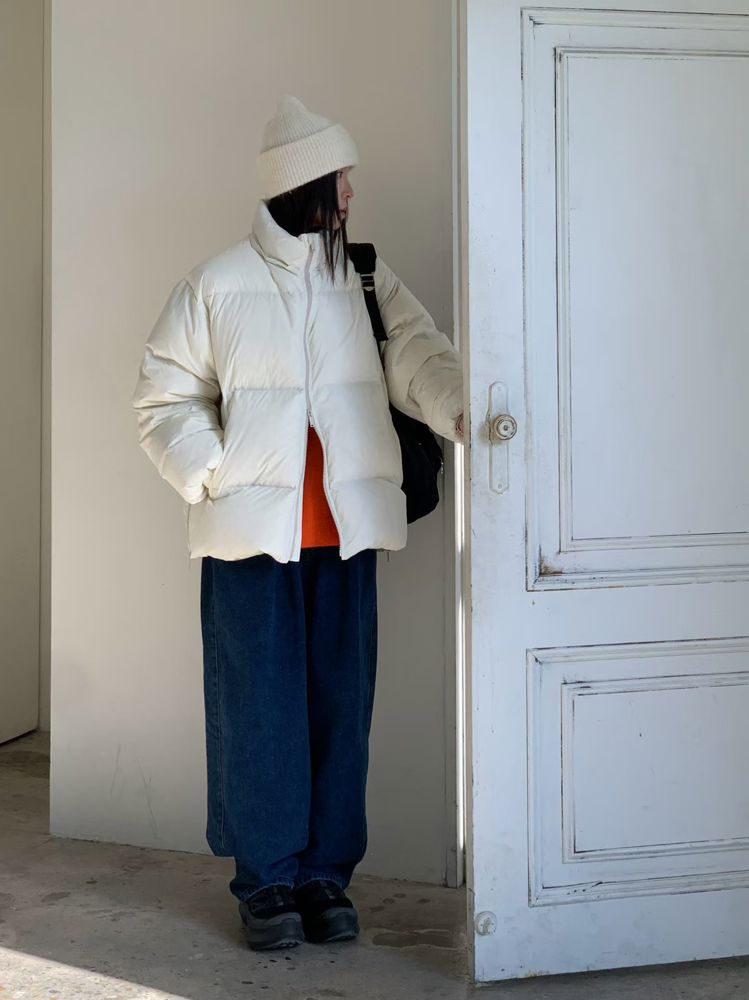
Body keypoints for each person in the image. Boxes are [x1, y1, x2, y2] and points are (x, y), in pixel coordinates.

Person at [130, 94, 465, 951]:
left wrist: (461, 408)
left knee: (339, 711)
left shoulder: (365, 277)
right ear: (302, 183)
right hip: (250, 540)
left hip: (347, 535)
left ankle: (323, 876)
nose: (351, 192)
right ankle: (267, 881)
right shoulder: (215, 283)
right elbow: (165, 396)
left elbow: (418, 354)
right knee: (259, 713)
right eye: (340, 177)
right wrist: (212, 474)